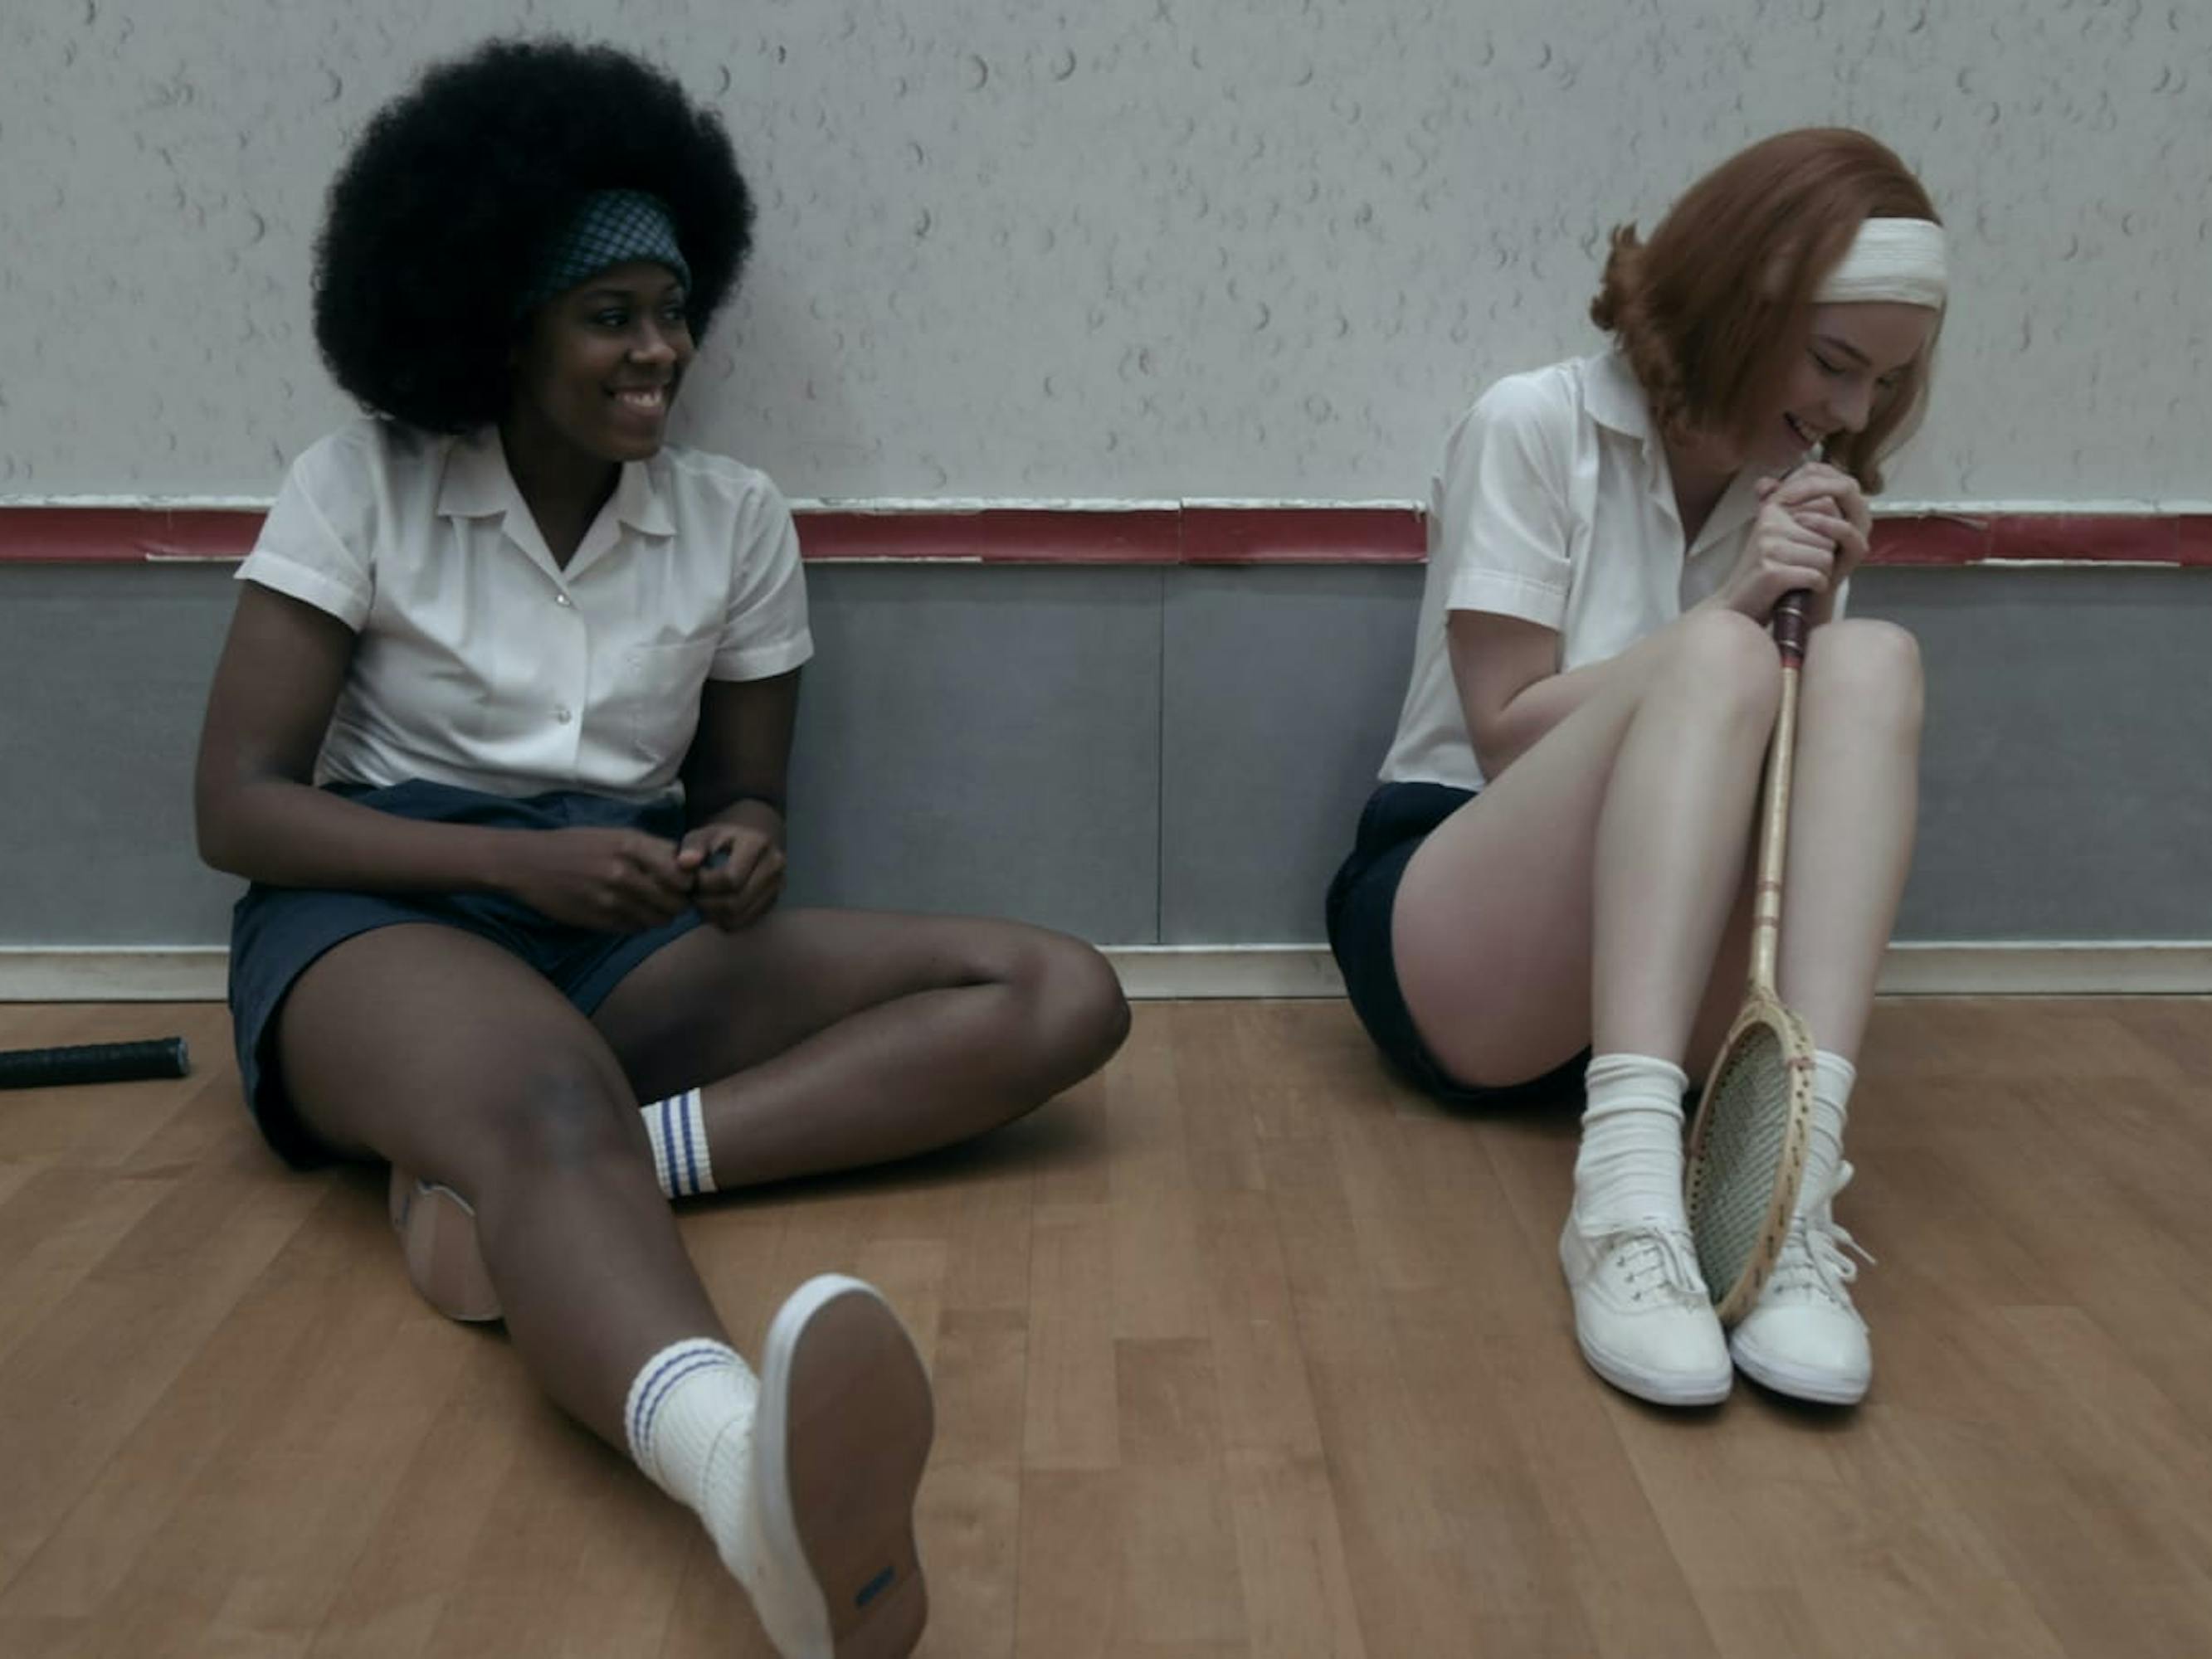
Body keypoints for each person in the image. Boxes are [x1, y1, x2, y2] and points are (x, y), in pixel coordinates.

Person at [193, 38, 1129, 1656]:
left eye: (675, 310)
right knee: (550, 1092)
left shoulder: (734, 519)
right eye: (611, 315)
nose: (661, 350)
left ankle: (591, 1174)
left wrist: (743, 846)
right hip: (376, 915)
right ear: (506, 323)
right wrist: (506, 869)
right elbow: (237, 806)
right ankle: (732, 1472)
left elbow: (746, 793)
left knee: (1058, 991)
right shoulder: (360, 488)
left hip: (621, 924)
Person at [1324, 129, 1946, 1408]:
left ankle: (1781, 1186)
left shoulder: (1802, 479)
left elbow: (1779, 788)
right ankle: (1619, 1201)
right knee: (1717, 663)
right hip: (1462, 922)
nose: (1849, 414)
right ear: (1736, 301)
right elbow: (1501, 732)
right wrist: (1729, 605)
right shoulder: (1533, 424)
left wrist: (1796, 612)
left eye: (1883, 384)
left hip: (1664, 990)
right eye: (1833, 364)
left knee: (1872, 662)